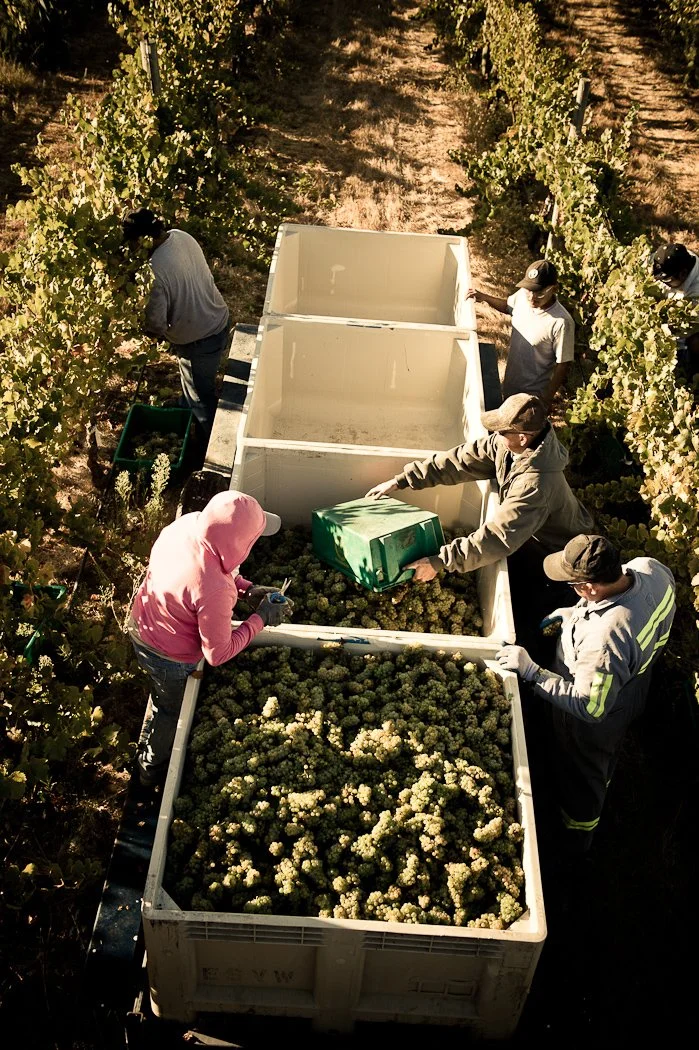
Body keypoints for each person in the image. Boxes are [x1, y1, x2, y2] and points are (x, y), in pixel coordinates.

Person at [496, 534, 676, 854]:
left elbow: (589, 706)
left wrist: (531, 671)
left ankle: (578, 833)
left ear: (589, 587)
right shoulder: (650, 568)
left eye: (573, 585)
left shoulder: (606, 640)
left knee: (584, 771)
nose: (573, 590)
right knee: (605, 755)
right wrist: (574, 614)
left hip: (595, 719)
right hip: (633, 688)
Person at [365, 393, 594, 612]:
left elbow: (497, 537)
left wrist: (439, 562)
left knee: (537, 609)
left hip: (556, 553)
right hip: (527, 535)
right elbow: (461, 460)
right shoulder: (508, 444)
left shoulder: (535, 485)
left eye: (501, 431)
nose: (495, 434)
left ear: (522, 437)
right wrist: (402, 480)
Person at [127, 490, 291, 787]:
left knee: (161, 690)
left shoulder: (187, 526)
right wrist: (260, 619)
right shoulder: (214, 588)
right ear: (241, 545)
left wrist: (246, 589)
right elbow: (217, 653)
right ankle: (148, 771)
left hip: (143, 621)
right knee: (169, 711)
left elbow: (201, 577)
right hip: (167, 655)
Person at [123, 207, 231, 440]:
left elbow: (157, 325)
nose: (131, 248)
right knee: (194, 384)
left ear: (144, 239)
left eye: (132, 242)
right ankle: (185, 406)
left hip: (198, 340)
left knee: (201, 399)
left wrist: (140, 327)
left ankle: (208, 450)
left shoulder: (153, 272)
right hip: (219, 318)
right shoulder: (181, 236)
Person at [466, 258, 575, 409]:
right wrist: (484, 297)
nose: (532, 297)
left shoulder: (562, 322)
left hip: (531, 397)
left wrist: (546, 399)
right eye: (528, 290)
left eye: (539, 293)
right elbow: (508, 306)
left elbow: (563, 365)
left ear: (554, 288)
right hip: (510, 385)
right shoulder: (522, 298)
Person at [651, 241, 699, 379]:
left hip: (694, 326)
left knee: (696, 343)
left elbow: (682, 331)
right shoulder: (673, 258)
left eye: (667, 281)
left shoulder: (696, 294)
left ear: (683, 274)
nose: (662, 283)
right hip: (674, 315)